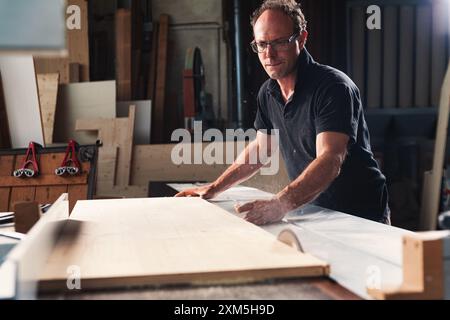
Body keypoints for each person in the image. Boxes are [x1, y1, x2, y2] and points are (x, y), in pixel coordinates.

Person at [176, 0, 391, 226]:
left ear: (301, 38)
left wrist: (281, 203)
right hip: (312, 211)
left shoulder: (333, 87)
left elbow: (330, 159)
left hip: (360, 215)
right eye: (262, 44)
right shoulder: (268, 93)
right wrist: (215, 187)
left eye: (279, 42)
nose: (269, 54)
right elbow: (260, 149)